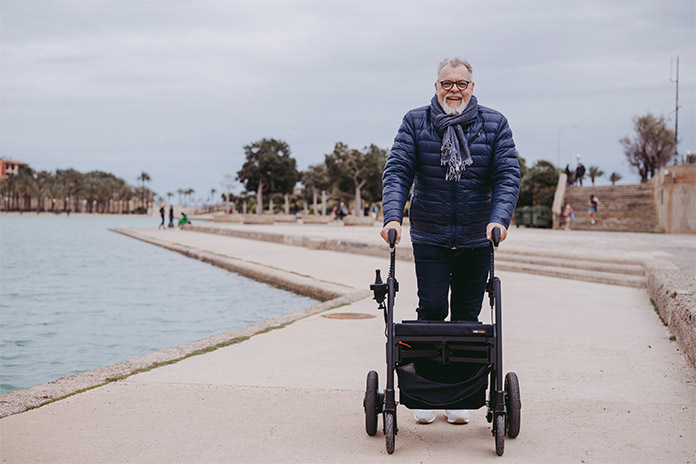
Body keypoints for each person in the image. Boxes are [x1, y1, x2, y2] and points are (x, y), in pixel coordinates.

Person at [380, 57, 521, 425]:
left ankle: (462, 394)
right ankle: (426, 392)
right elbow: (398, 170)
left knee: (467, 317)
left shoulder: (495, 123)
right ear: (436, 87)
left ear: (472, 87)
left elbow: (507, 174)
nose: (453, 90)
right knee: (430, 312)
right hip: (431, 234)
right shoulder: (416, 121)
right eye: (447, 83)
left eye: (461, 83)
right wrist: (393, 216)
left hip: (478, 236)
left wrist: (498, 219)